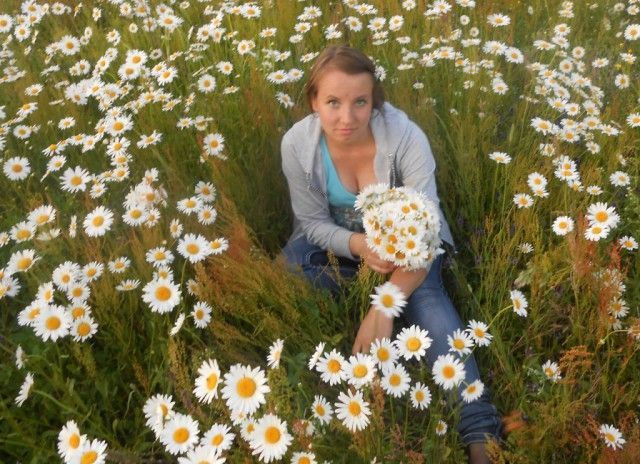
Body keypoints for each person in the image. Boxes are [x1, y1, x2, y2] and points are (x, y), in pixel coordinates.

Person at [280, 45, 501, 463]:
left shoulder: (405, 138)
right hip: (344, 244)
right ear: (313, 102)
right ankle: (378, 301)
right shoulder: (297, 145)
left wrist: (385, 303)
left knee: (427, 298)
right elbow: (311, 223)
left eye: (360, 102)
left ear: (373, 101)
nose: (347, 117)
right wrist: (360, 246)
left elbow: (427, 228)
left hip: (411, 249)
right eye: (333, 102)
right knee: (289, 267)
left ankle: (478, 426)